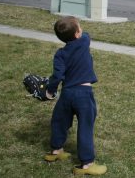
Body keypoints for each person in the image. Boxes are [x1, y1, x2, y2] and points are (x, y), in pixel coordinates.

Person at [44, 16, 107, 175]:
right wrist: (76, 29)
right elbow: (85, 34)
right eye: (80, 27)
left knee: (59, 121)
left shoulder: (60, 54)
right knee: (85, 126)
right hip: (84, 95)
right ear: (78, 33)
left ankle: (56, 151)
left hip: (66, 94)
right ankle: (86, 164)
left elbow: (57, 76)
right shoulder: (84, 41)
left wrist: (50, 91)